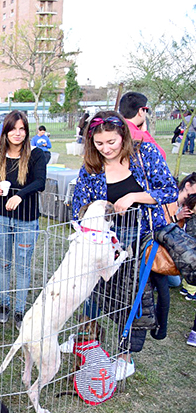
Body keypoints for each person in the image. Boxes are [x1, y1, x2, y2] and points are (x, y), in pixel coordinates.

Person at [71, 111, 178, 380]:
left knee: (132, 297)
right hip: (105, 239)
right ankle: (85, 337)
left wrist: (135, 196)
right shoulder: (91, 168)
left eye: (111, 142)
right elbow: (78, 206)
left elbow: (169, 190)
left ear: (124, 136)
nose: (105, 149)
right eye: (99, 144)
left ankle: (125, 357)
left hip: (141, 236)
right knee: (94, 288)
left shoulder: (146, 155)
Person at [0, 110, 47, 328]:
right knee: (3, 263)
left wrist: (19, 195)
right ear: (6, 130)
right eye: (13, 128)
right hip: (0, 217)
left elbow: (40, 182)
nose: (17, 133)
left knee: (22, 266)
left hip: (26, 219)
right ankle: (4, 305)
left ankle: (20, 310)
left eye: (22, 129)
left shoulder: (36, 154)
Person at [118, 92, 166, 159]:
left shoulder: (114, 128)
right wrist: (145, 133)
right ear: (141, 111)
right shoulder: (138, 135)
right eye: (146, 110)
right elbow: (160, 156)